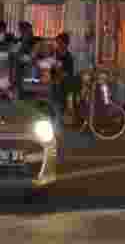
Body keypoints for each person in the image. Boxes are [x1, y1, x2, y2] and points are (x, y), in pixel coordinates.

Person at [49, 33, 73, 162]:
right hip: (51, 92)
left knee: (57, 124)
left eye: (59, 43)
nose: (57, 45)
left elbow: (68, 76)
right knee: (50, 123)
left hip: (60, 94)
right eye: (56, 43)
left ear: (65, 44)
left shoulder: (68, 58)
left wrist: (60, 74)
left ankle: (56, 152)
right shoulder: (54, 55)